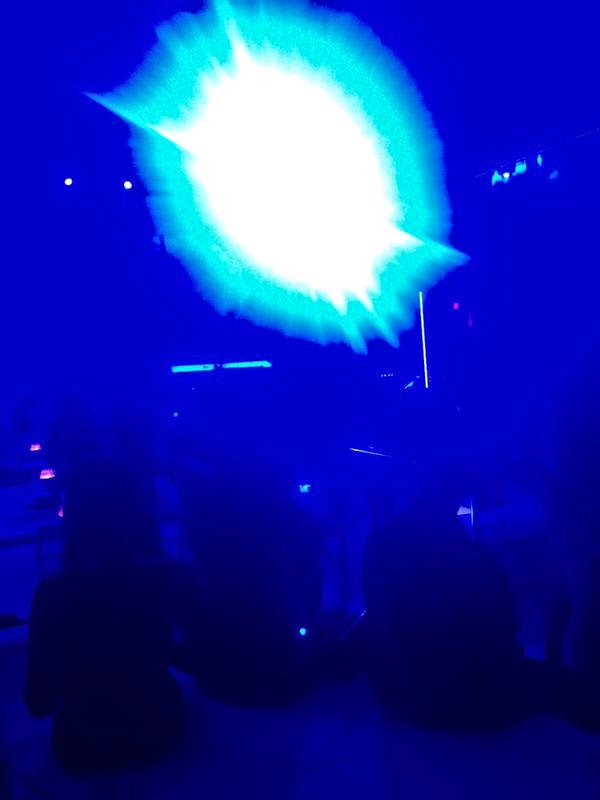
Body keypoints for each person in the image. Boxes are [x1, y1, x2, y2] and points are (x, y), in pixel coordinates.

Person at [24, 458, 198, 773]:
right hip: (162, 729)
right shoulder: (174, 576)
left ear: (75, 517)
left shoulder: (54, 594)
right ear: (143, 512)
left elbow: (39, 703)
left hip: (82, 746)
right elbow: (195, 659)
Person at [363, 488, 527, 731]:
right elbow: (508, 622)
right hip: (483, 699)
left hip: (404, 694)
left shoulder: (379, 543)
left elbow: (379, 620)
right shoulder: (474, 555)